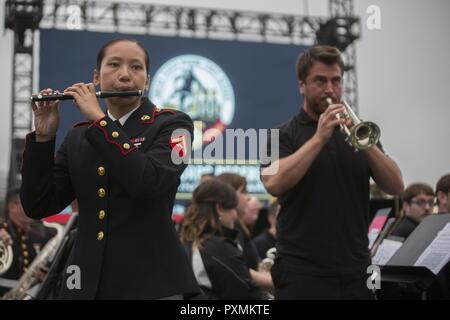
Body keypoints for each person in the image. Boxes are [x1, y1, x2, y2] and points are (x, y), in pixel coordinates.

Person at [20, 38, 199, 299]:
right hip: (84, 282)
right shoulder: (78, 137)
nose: (125, 75)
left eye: (136, 68)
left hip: (151, 283)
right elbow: (38, 205)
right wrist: (43, 138)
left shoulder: (173, 125)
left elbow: (148, 182)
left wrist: (100, 121)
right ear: (96, 76)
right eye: (114, 65)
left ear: (147, 80)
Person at [261, 45, 404, 299]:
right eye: (320, 81)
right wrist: (319, 139)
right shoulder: (280, 135)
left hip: (357, 270)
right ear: (301, 85)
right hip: (302, 273)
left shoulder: (358, 131)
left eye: (336, 81)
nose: (330, 89)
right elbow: (274, 183)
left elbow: (396, 186)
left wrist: (366, 145)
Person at [181, 179, 262, 299]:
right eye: (232, 208)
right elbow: (249, 295)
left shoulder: (186, 242)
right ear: (219, 208)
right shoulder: (218, 248)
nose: (235, 215)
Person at [0, 188, 57, 295]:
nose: (33, 209)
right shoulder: (2, 232)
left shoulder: (38, 236)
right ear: (13, 207)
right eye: (27, 204)